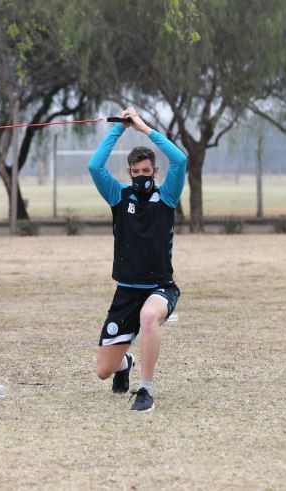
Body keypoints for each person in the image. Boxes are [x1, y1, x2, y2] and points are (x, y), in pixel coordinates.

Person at [87, 107, 187, 412]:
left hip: (160, 286)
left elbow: (180, 159)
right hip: (126, 292)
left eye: (147, 171)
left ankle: (145, 390)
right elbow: (94, 166)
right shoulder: (119, 196)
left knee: (148, 318)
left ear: (154, 171)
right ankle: (124, 363)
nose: (141, 176)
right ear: (129, 173)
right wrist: (119, 127)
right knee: (104, 370)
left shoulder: (167, 196)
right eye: (136, 172)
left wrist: (144, 128)